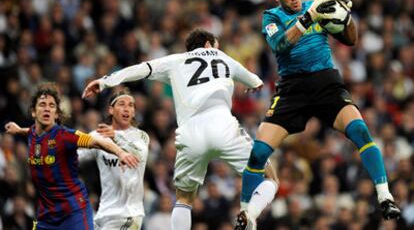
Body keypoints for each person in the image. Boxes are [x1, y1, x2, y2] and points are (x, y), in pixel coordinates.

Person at [237, 0, 401, 229]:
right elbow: (280, 45)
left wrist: (346, 17)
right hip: (292, 89)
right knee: (258, 153)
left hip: (326, 82)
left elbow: (351, 39)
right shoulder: (271, 17)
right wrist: (309, 16)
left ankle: (385, 196)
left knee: (359, 130)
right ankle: (246, 215)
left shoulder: (318, 7)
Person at [82, 29, 278, 230]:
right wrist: (254, 84)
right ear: (209, 45)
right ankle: (249, 214)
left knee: (184, 199)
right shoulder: (223, 57)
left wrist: (105, 81)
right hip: (224, 127)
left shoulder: (175, 60)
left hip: (190, 133)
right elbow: (255, 80)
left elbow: (141, 69)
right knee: (270, 177)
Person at [5, 82, 139, 230]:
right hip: (46, 215)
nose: (47, 109)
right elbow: (31, 131)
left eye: (51, 106)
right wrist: (18, 130)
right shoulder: (32, 133)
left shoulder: (65, 136)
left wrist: (120, 152)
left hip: (73, 213)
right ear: (33, 112)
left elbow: (96, 142)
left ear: (56, 114)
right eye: (42, 104)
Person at [78, 88, 150, 230]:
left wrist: (116, 137)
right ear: (111, 110)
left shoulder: (141, 136)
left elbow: (140, 153)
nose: (127, 109)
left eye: (131, 105)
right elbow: (76, 157)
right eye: (122, 104)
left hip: (129, 214)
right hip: (103, 214)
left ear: (134, 112)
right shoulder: (99, 135)